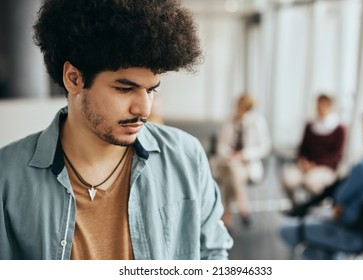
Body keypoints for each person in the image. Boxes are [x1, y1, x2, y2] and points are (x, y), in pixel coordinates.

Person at [0, 0, 233, 260]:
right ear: (74, 79)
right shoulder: (7, 177)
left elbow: (213, 256)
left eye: (151, 90)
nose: (144, 109)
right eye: (125, 89)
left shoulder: (186, 158)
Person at [280, 110, 363, 259]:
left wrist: (340, 205)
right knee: (324, 249)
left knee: (286, 231)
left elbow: (340, 196)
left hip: (353, 234)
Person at [214, 94, 271, 230]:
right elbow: (220, 145)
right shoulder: (227, 121)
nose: (240, 110)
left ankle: (227, 215)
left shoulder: (258, 122)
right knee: (232, 168)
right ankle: (244, 206)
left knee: (230, 176)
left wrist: (243, 154)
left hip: (247, 164)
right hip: (227, 161)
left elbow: (264, 147)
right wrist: (230, 155)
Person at [282, 94, 346, 206]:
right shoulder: (310, 125)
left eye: (323, 105)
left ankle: (317, 207)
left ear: (330, 106)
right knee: (288, 180)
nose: (320, 109)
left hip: (325, 167)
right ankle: (296, 207)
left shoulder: (339, 129)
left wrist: (315, 166)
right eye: (318, 105)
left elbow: (337, 155)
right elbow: (302, 148)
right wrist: (303, 162)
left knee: (311, 182)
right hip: (305, 165)